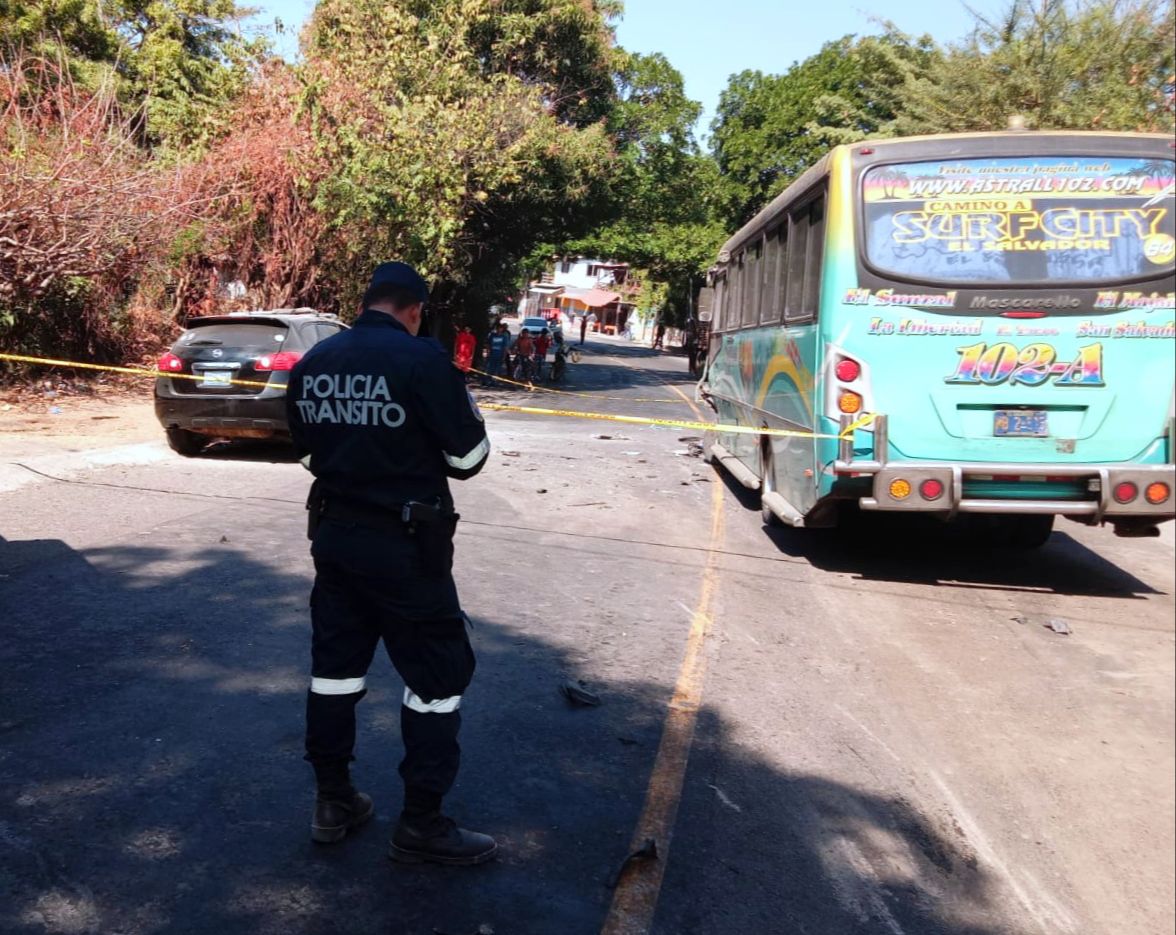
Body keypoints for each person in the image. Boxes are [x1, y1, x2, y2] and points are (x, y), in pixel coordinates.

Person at [286, 261, 497, 866]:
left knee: (334, 672)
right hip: (406, 549)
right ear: (415, 311)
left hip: (335, 540)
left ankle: (333, 801)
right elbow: (468, 460)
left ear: (367, 302)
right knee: (436, 681)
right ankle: (422, 823)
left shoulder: (315, 361)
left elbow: (305, 452)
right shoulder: (423, 361)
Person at [483, 322, 510, 386]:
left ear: (502, 329)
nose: (499, 330)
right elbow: (488, 345)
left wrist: (504, 356)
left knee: (497, 369)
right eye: (498, 328)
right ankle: (486, 380)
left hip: (499, 355)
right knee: (489, 368)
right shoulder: (492, 335)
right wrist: (488, 352)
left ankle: (494, 381)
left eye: (500, 328)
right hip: (491, 354)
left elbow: (505, 347)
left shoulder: (504, 337)